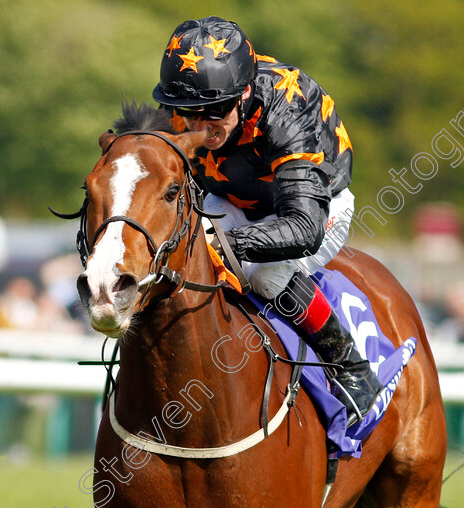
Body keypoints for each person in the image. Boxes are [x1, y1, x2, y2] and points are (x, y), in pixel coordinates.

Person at [152, 16, 381, 427]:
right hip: (233, 198)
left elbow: (304, 227)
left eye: (216, 111)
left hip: (314, 206)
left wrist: (231, 245)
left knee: (263, 275)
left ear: (242, 94)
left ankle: (349, 366)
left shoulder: (288, 109)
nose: (201, 125)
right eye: (189, 112)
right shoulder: (183, 106)